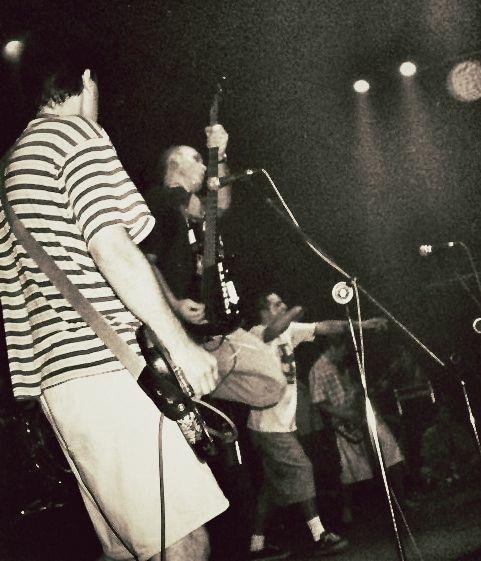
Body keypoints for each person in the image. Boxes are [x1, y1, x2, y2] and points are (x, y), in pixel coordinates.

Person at [0, 47, 228, 561]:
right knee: (185, 542)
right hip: (102, 371)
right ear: (85, 79)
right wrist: (181, 347)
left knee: (131, 550)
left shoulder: (12, 164)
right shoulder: (76, 135)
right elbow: (112, 247)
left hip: (60, 384)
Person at [247, 293, 385, 560]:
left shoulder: (289, 331)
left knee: (271, 488)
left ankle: (256, 546)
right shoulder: (255, 333)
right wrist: (294, 310)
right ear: (263, 311)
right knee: (303, 469)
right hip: (268, 425)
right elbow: (271, 332)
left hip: (278, 425)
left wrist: (364, 324)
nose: (283, 306)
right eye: (277, 304)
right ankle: (319, 535)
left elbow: (326, 327)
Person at [309, 336, 404, 523]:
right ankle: (349, 509)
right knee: (350, 470)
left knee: (392, 452)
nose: (346, 352)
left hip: (364, 416)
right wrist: (345, 414)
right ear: (332, 347)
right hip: (344, 425)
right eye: (343, 349)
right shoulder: (317, 370)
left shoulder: (343, 365)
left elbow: (357, 389)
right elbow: (319, 403)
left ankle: (400, 501)